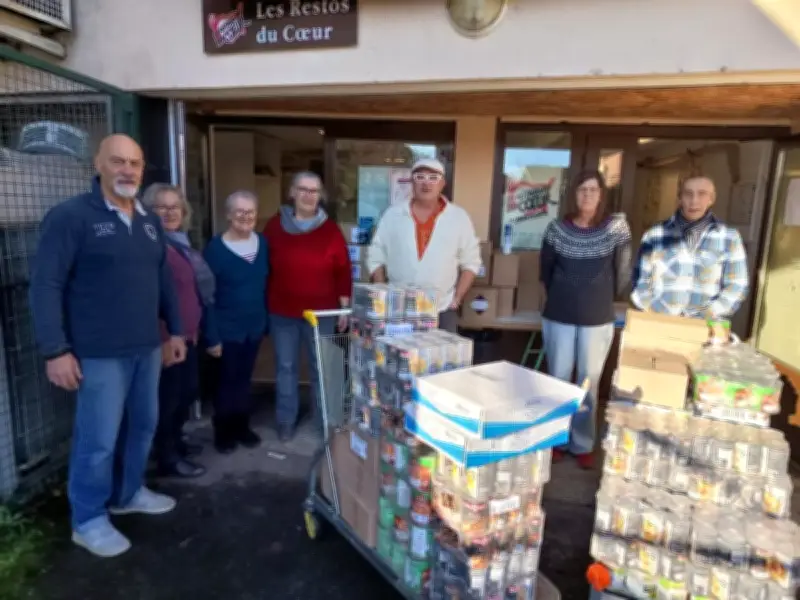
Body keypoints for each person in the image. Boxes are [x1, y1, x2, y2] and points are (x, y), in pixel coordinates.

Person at [30, 134, 186, 558]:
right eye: (118, 161)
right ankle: (88, 519)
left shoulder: (149, 221)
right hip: (96, 354)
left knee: (142, 426)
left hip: (146, 348)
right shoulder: (70, 217)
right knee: (96, 440)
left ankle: (129, 492)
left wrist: (174, 331)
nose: (127, 170)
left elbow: (163, 282)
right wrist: (54, 350)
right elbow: (46, 285)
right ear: (98, 163)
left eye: (135, 163)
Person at [539, 170, 632, 469]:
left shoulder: (616, 228)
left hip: (597, 316)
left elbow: (623, 269)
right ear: (573, 195)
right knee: (558, 379)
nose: (587, 195)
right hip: (560, 313)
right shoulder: (556, 229)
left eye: (593, 190)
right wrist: (567, 293)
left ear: (601, 195)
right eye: (582, 190)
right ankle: (555, 439)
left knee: (587, 382)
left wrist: (599, 294)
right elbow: (546, 270)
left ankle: (581, 444)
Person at [264, 172, 352, 442]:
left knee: (323, 369)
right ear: (292, 192)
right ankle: (285, 421)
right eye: (302, 189)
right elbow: (263, 265)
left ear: (320, 196)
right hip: (282, 311)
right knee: (286, 368)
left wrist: (344, 308)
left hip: (321, 313)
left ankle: (324, 422)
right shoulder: (274, 226)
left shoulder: (330, 230)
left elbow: (343, 269)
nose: (308, 195)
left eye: (314, 191)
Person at [143, 183, 215, 479]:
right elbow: (151, 297)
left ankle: (175, 443)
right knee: (169, 399)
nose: (169, 212)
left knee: (185, 394)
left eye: (175, 206)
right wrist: (164, 337)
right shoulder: (151, 245)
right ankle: (167, 458)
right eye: (161, 206)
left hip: (187, 335)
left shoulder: (179, 243)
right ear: (148, 211)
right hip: (167, 339)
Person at [367, 158, 481, 332]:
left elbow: (471, 262)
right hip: (399, 309)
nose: (426, 183)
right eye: (420, 177)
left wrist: (457, 298)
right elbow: (376, 255)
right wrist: (383, 293)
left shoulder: (458, 217)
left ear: (442, 183)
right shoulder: (393, 215)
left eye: (433, 177)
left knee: (442, 359)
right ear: (412, 182)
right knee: (400, 358)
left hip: (442, 309)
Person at [203, 190, 269, 454]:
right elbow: (206, 297)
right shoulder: (215, 249)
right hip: (226, 328)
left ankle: (242, 426)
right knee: (226, 382)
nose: (245, 217)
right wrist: (212, 336)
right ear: (228, 215)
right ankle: (223, 431)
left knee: (244, 379)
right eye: (239, 211)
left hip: (253, 326)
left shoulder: (262, 244)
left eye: (250, 211)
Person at [631, 175, 749, 318]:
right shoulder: (655, 235)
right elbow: (640, 280)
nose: (694, 201)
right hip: (659, 322)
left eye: (702, 194)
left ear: (711, 199)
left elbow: (737, 285)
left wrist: (709, 313)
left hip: (704, 326)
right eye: (688, 194)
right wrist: (653, 309)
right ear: (680, 198)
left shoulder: (729, 238)